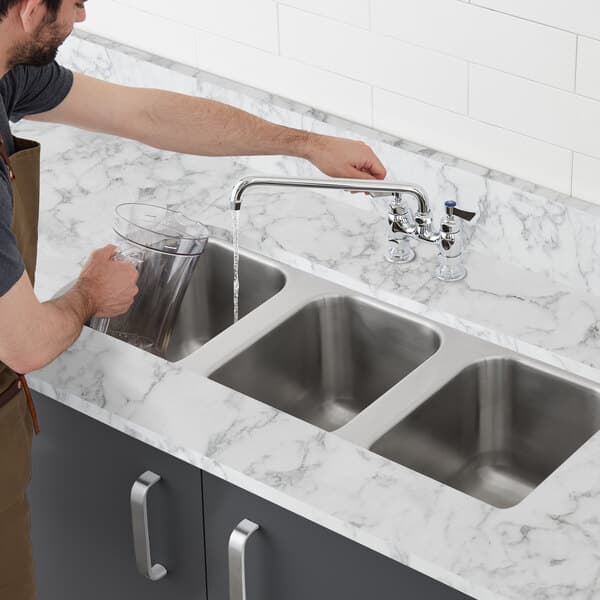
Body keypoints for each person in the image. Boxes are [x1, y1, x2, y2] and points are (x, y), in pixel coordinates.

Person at [0, 1, 387, 598]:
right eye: (74, 2)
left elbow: (145, 112)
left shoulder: (7, 72)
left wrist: (305, 143)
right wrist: (86, 296)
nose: (83, 17)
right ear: (29, 9)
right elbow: (25, 343)